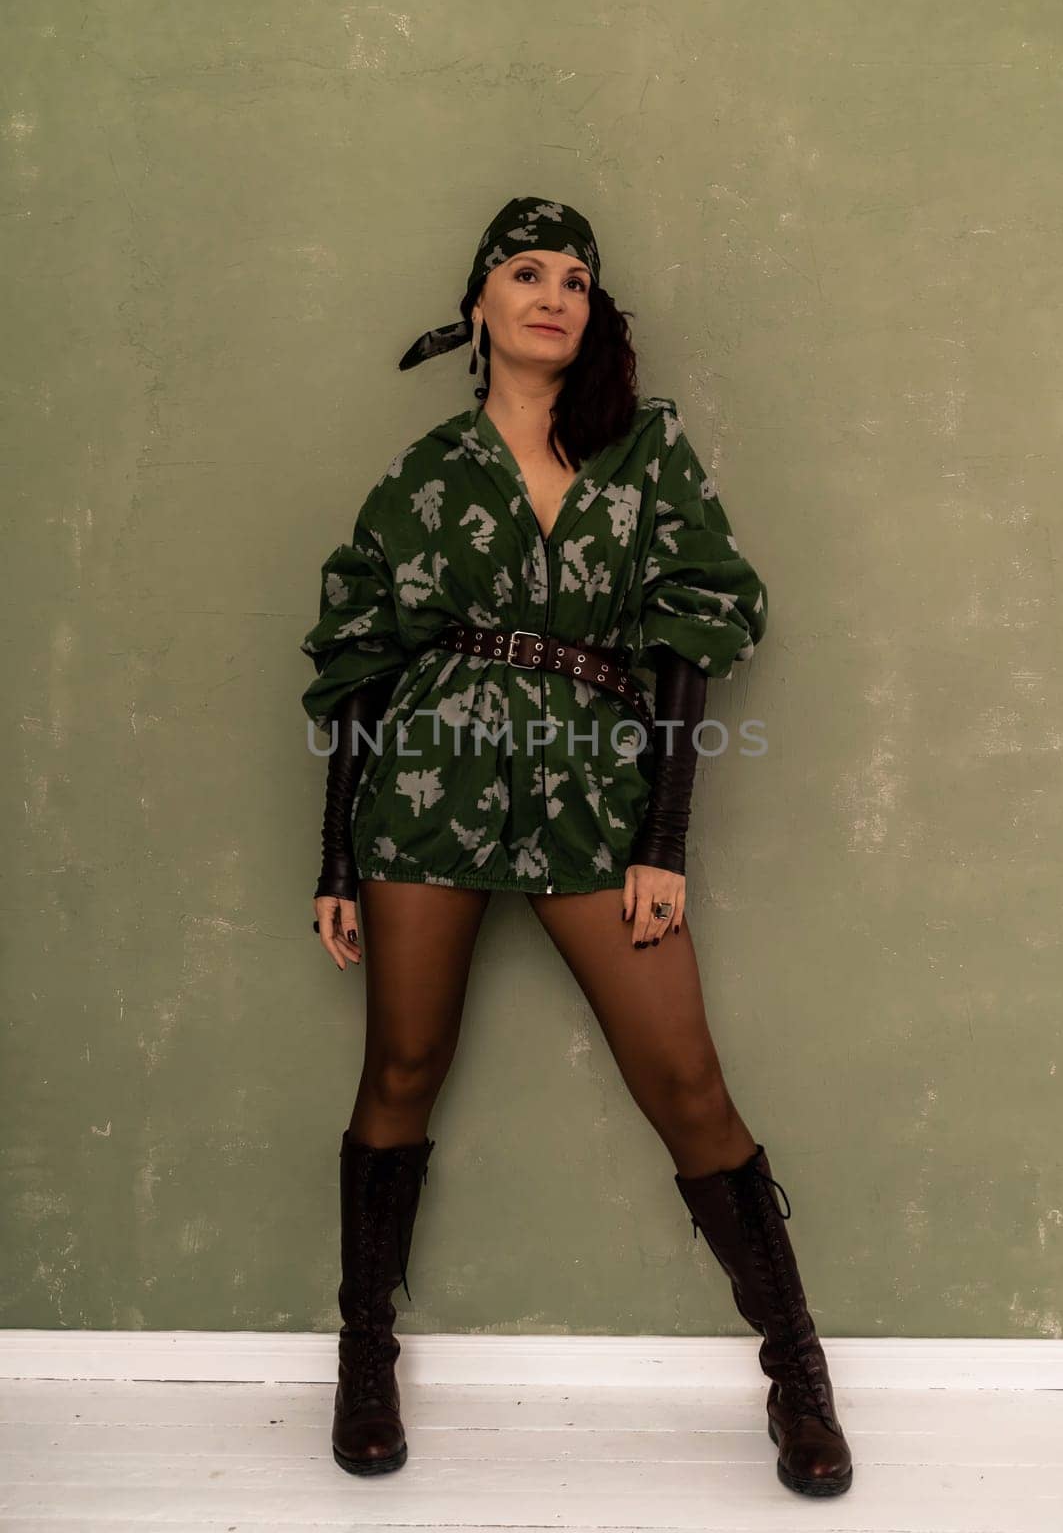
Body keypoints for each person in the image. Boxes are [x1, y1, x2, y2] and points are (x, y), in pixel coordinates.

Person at [298, 196, 853, 1497]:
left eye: (578, 279)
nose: (557, 292)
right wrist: (338, 861)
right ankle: (366, 1354)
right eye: (528, 271)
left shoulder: (643, 454)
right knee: (404, 1065)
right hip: (425, 778)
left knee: (690, 1086)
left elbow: (692, 638)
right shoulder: (428, 478)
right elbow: (359, 672)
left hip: (592, 792)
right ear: (479, 304)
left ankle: (799, 1373)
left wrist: (664, 840)